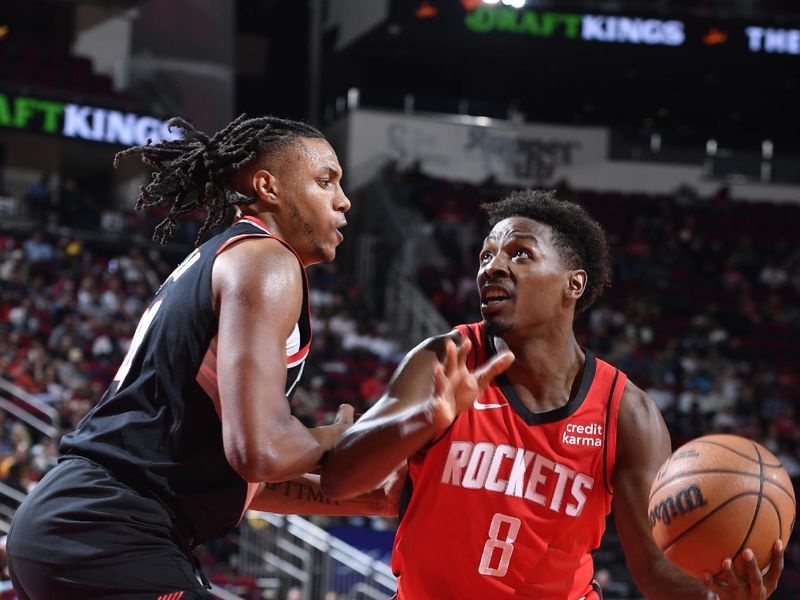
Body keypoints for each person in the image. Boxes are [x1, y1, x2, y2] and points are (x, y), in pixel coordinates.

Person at [5, 114, 402, 599]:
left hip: (83, 526)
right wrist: (344, 436)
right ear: (267, 186)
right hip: (107, 531)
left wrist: (371, 496)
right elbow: (259, 451)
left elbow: (244, 472)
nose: (343, 201)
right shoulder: (266, 260)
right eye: (325, 182)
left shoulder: (228, 260)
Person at [321, 190, 786, 600]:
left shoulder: (627, 412)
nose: (493, 267)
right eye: (485, 256)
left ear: (573, 284)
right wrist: (424, 419)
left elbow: (652, 569)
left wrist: (716, 599)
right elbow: (339, 480)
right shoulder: (446, 359)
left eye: (520, 253)